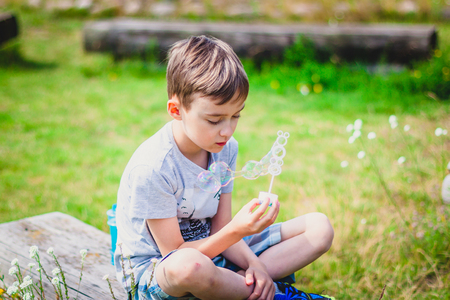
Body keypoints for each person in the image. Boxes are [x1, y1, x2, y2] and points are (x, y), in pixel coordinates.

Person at [114, 35, 334, 300]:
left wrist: (255, 264)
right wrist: (238, 231)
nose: (227, 131)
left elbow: (220, 227)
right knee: (189, 267)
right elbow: (174, 252)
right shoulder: (152, 168)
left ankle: (244, 284)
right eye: (214, 119)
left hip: (216, 250)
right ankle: (268, 292)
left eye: (236, 115)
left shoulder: (225, 149)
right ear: (176, 110)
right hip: (158, 272)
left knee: (319, 228)